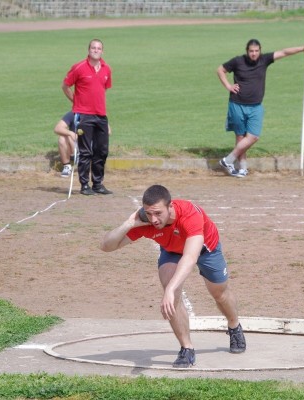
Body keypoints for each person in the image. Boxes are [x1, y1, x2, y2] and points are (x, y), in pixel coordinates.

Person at [99, 184, 246, 368]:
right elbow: (107, 246)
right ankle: (187, 348)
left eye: (158, 213)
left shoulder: (189, 214)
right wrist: (129, 223)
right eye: (149, 213)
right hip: (172, 250)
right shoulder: (145, 221)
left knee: (219, 294)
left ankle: (234, 326)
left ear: (170, 207)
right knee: (172, 291)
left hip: (205, 248)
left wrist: (170, 289)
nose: (153, 219)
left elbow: (191, 256)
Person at [217, 39, 304, 178]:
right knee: (240, 137)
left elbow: (284, 52)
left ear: (260, 51)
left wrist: (302, 48)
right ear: (247, 51)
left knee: (253, 136)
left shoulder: (265, 59)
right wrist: (228, 86)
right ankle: (243, 168)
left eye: (256, 51)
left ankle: (228, 160)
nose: (254, 54)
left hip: (256, 106)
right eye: (251, 51)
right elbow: (220, 70)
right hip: (237, 104)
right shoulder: (238, 61)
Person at [62, 38, 113, 195]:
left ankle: (98, 183)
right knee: (85, 151)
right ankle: (84, 185)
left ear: (102, 51)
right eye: (93, 48)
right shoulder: (79, 68)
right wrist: (76, 101)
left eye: (99, 48)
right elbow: (65, 86)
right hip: (84, 115)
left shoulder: (106, 69)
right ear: (88, 50)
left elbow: (102, 91)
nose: (96, 50)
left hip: (101, 115)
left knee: (102, 150)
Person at [53, 111, 77, 177]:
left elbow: (108, 130)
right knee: (62, 138)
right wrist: (71, 133)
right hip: (75, 144)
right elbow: (57, 128)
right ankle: (67, 166)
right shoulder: (73, 114)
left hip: (89, 145)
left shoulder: (94, 113)